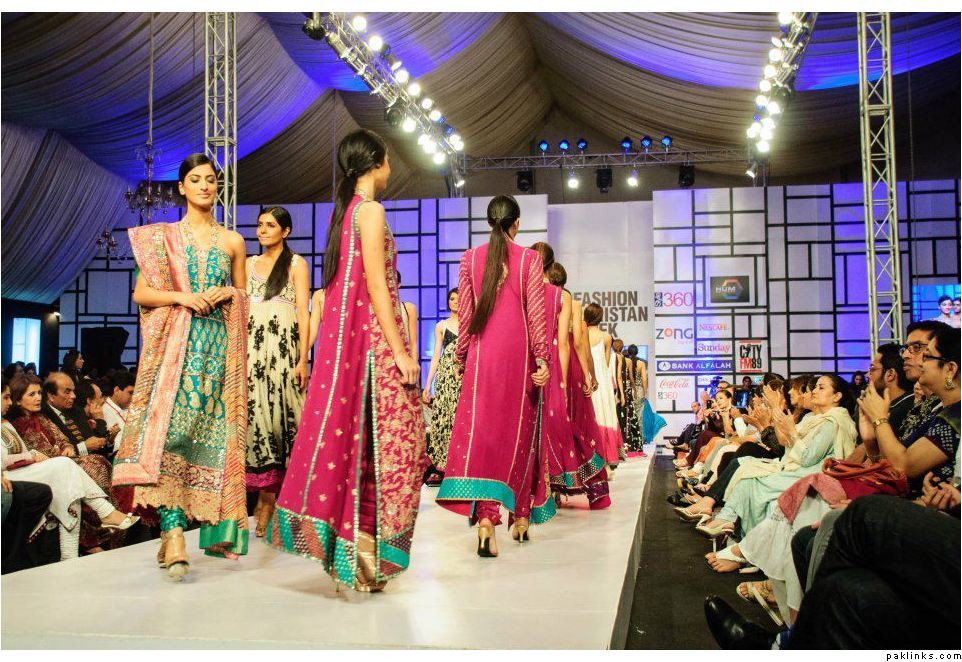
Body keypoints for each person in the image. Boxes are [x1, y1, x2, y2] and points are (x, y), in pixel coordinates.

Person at [268, 129, 425, 593]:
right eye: (388, 159)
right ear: (376, 162)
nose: (391, 167)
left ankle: (360, 559)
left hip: (355, 348)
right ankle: (365, 558)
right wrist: (400, 351)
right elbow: (377, 284)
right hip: (375, 346)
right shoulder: (370, 211)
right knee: (399, 449)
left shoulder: (347, 213)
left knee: (367, 449)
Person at [112, 152, 250, 581]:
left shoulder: (233, 241)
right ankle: (172, 533)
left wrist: (230, 293)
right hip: (176, 351)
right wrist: (182, 297)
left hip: (219, 354)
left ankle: (185, 529)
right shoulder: (164, 238)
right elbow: (142, 294)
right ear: (182, 188)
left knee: (209, 444)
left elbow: (245, 299)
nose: (205, 186)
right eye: (196, 179)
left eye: (211, 179)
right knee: (169, 437)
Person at [437, 195, 552, 558]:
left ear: (489, 223)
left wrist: (461, 356)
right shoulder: (529, 259)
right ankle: (521, 516)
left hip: (482, 356)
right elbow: (536, 314)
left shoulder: (470, 259)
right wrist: (542, 359)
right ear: (516, 224)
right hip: (519, 357)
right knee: (519, 436)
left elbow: (467, 316)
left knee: (485, 438)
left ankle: (486, 520)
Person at [2, 379, 138, 562]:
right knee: (69, 467)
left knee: (72, 484)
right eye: (7, 398)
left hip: (35, 467)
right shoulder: (18, 422)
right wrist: (32, 456)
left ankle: (70, 556)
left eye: (39, 393)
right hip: (13, 473)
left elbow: (62, 439)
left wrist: (66, 447)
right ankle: (104, 515)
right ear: (19, 400)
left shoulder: (20, 421)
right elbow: (10, 457)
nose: (38, 398)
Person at [245, 206, 309, 537]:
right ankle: (263, 496)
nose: (262, 230)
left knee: (283, 419)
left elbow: (303, 312)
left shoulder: (296, 264)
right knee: (256, 419)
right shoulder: (247, 264)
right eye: (260, 225)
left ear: (285, 231)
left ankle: (272, 499)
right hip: (252, 352)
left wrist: (303, 358)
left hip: (283, 352)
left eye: (270, 225)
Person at [536, 256, 607, 505]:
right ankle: (589, 483)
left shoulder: (536, 296)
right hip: (568, 365)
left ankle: (550, 486)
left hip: (543, 359)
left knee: (547, 424)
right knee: (577, 422)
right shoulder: (571, 301)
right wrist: (588, 375)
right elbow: (577, 341)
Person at [421, 288, 461, 482]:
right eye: (452, 298)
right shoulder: (441, 326)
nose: (455, 301)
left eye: (459, 298)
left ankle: (461, 465)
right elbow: (436, 355)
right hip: (446, 377)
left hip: (465, 375)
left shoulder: (471, 324)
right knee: (445, 419)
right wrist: (428, 385)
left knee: (461, 418)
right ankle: (443, 466)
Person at [584, 303, 623, 472]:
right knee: (604, 413)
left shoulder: (580, 334)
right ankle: (607, 457)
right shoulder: (607, 337)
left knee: (588, 413)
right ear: (600, 317)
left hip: (586, 376)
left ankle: (589, 458)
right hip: (602, 379)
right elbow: (606, 363)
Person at [40, 373, 109, 457]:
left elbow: (95, 443)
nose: (73, 396)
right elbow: (52, 453)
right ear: (51, 396)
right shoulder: (42, 416)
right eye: (67, 392)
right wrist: (84, 447)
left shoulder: (77, 411)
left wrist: (109, 438)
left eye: (73, 391)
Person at [103, 371, 135, 451]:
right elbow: (114, 446)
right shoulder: (105, 412)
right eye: (130, 393)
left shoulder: (126, 407)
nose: (133, 397)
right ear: (116, 390)